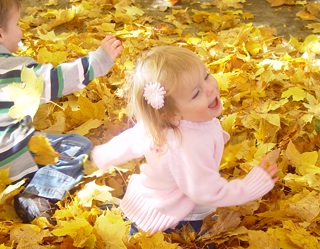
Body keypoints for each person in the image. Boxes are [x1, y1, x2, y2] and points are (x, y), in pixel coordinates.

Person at [0, 0, 122, 223]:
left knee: (23, 138)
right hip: (7, 158)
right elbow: (59, 79)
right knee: (77, 145)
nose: (20, 30)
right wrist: (98, 61)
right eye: (16, 24)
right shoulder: (19, 69)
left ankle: (21, 181)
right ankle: (37, 195)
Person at [91, 46, 278, 236]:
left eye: (206, 76)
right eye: (196, 93)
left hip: (152, 196)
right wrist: (247, 188)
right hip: (179, 215)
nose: (210, 88)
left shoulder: (162, 122)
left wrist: (103, 155)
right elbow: (205, 191)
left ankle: (125, 219)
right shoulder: (188, 146)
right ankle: (132, 229)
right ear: (170, 113)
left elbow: (131, 138)